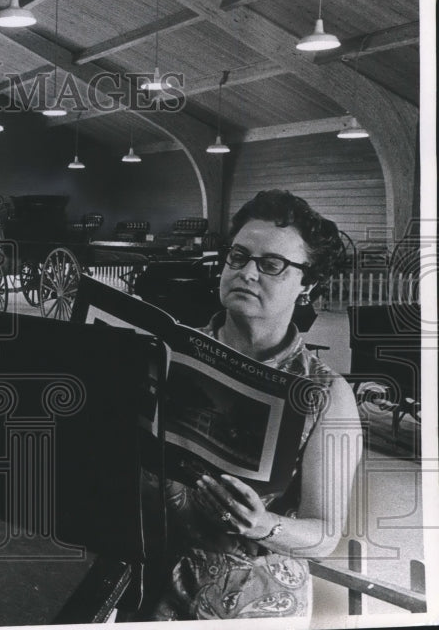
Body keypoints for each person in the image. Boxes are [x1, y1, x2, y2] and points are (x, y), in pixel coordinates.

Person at [140, 190, 362, 621]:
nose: (246, 273)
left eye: (272, 265)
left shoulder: (324, 394)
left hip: (251, 599)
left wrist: (263, 525)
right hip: (146, 571)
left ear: (307, 284)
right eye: (238, 257)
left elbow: (325, 534)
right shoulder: (165, 354)